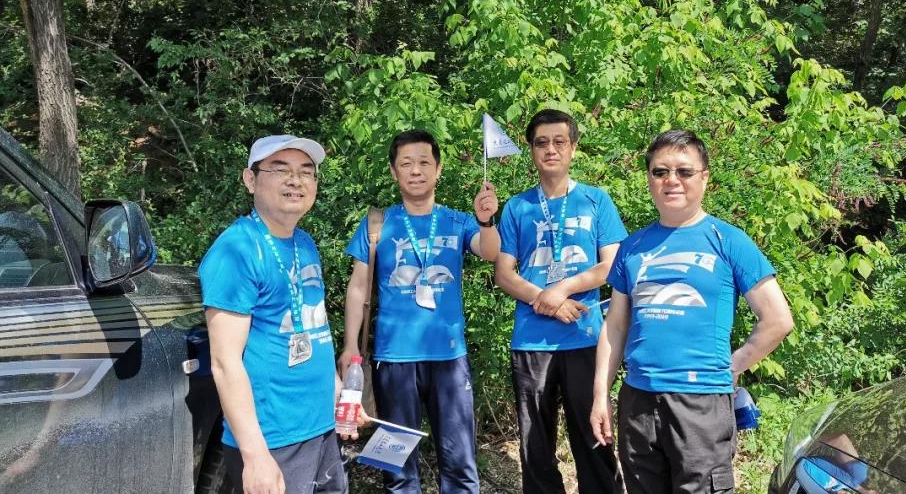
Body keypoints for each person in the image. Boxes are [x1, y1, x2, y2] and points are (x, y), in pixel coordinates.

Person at [590, 129, 794, 494]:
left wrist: (733, 365)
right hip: (638, 401)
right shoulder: (632, 247)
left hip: (701, 404)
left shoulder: (728, 240)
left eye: (684, 171)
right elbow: (615, 326)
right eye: (660, 171)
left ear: (704, 177)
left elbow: (778, 319)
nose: (672, 180)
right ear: (649, 177)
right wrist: (600, 395)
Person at [200, 135, 364, 494]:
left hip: (320, 428)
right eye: (280, 170)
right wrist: (255, 455)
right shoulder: (236, 250)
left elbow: (314, 327)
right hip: (273, 438)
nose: (295, 180)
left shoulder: (303, 242)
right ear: (250, 179)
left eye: (306, 172)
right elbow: (225, 362)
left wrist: (339, 396)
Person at [338, 129, 500, 494]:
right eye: (406, 163)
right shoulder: (378, 223)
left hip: (449, 358)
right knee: (396, 468)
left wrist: (486, 221)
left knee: (460, 466)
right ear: (394, 171)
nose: (416, 170)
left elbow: (490, 252)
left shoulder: (458, 221)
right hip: (394, 360)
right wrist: (350, 347)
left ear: (438, 169)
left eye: (424, 162)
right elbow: (358, 287)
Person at [494, 109, 626, 494]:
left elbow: (612, 265)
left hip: (585, 337)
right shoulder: (517, 207)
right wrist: (546, 298)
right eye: (541, 143)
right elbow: (504, 274)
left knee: (594, 438)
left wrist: (562, 288)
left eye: (559, 141)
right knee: (535, 448)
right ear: (531, 150)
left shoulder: (596, 200)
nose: (550, 149)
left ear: (573, 147)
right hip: (532, 342)